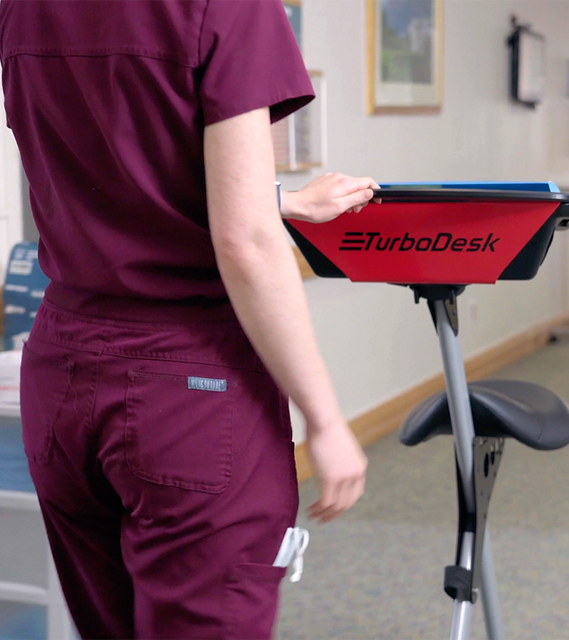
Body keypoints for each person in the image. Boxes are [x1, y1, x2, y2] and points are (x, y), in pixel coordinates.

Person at [0, 0, 378, 638]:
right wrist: (326, 417)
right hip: (186, 385)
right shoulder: (228, 7)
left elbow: (120, 169)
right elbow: (246, 243)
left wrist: (278, 200)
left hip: (61, 374)